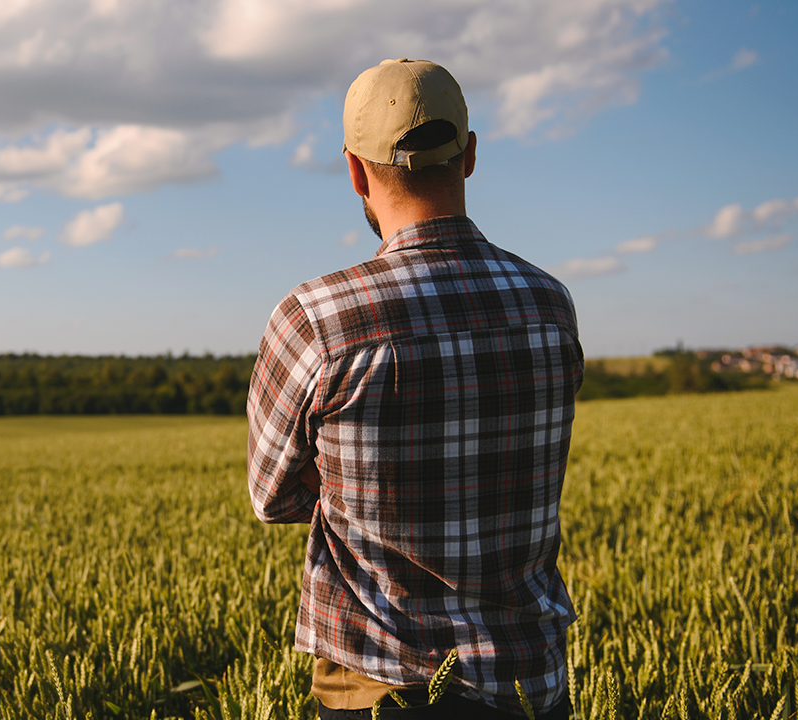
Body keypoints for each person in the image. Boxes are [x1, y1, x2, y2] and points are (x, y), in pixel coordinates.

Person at [246, 59, 582, 719]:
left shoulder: (316, 317)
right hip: (529, 685)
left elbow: (273, 498)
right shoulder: (550, 304)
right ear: (472, 155)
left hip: (380, 692)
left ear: (353, 170)